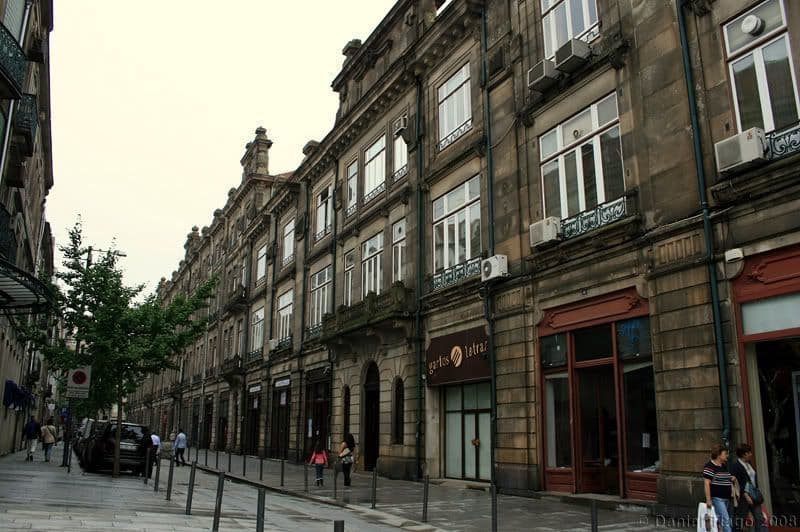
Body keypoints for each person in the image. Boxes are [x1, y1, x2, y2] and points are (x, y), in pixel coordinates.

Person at [731, 443, 767, 531]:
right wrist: (746, 496)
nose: (751, 454)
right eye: (749, 452)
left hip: (753, 495)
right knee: (740, 519)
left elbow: (753, 479)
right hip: (744, 497)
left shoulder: (749, 464)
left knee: (760, 518)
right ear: (744, 454)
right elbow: (737, 483)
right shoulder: (736, 466)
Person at [703, 444, 736, 532]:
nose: (727, 456)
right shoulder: (709, 466)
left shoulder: (723, 466)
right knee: (726, 522)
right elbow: (706, 483)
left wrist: (731, 478)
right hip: (717, 499)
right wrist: (708, 499)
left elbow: (722, 478)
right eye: (725, 454)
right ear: (719, 455)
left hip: (727, 499)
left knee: (721, 522)